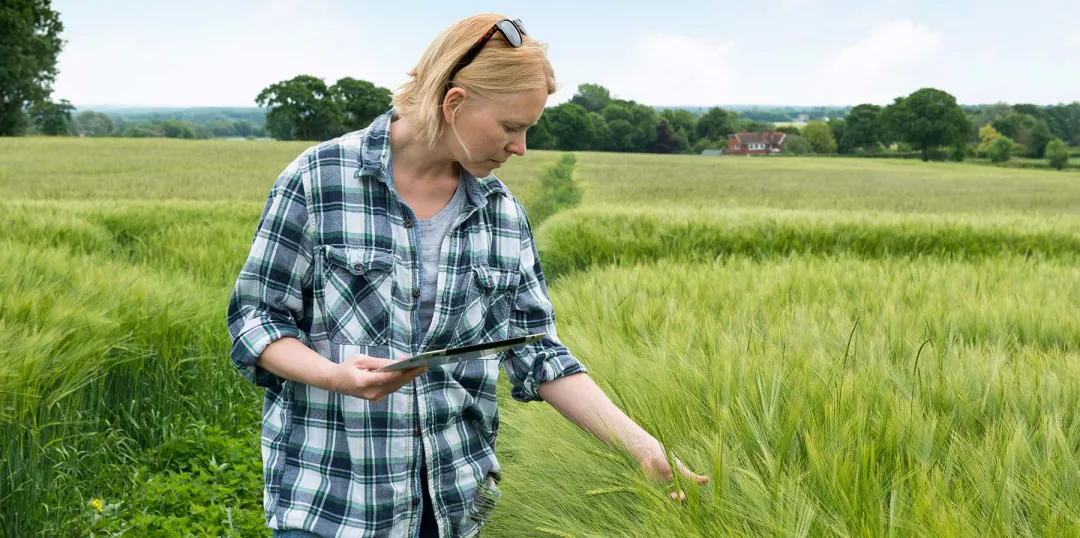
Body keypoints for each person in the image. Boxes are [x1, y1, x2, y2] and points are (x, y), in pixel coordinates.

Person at [226, 13, 708, 538]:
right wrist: (337, 377)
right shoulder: (319, 180)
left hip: (452, 505)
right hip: (331, 502)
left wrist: (643, 449)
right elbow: (256, 319)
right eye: (510, 127)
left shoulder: (502, 215)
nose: (520, 147)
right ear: (454, 104)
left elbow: (538, 351)